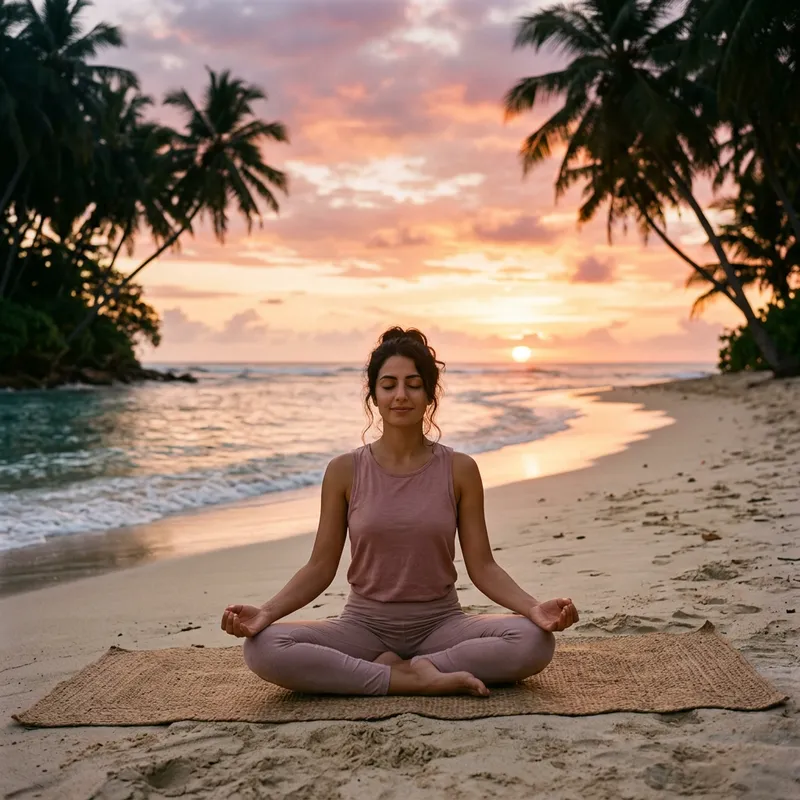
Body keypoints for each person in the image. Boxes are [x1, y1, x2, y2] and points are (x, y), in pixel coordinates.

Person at [221, 327, 579, 697]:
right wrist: (266, 613)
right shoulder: (345, 470)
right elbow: (319, 568)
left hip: (442, 626)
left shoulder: (460, 469)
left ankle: (418, 669)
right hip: (363, 627)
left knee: (534, 641)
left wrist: (534, 608)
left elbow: (483, 566)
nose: (401, 396)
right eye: (389, 385)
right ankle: (408, 678)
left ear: (429, 395)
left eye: (413, 384)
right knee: (263, 648)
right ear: (373, 396)